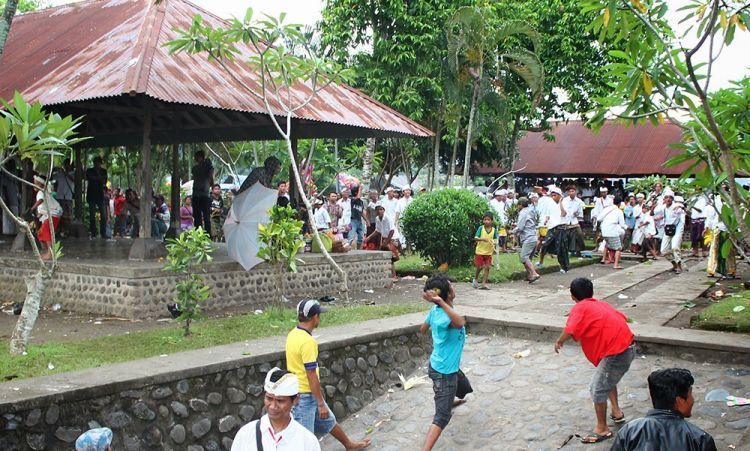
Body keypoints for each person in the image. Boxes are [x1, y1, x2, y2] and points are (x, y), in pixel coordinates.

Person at [554, 277, 635, 444]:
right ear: (592, 292)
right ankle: (617, 412)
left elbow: (570, 329)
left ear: (572, 296)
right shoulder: (601, 304)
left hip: (616, 352)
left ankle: (602, 429)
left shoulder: (580, 307)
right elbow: (623, 317)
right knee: (607, 379)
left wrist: (560, 341)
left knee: (597, 388)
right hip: (626, 347)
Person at [286, 299, 371, 450]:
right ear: (315, 317)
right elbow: (311, 374)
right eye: (319, 315)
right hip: (304, 395)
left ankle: (349, 445)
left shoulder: (293, 334)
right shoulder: (307, 342)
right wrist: (319, 402)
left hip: (302, 391)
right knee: (304, 441)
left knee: (329, 421)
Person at [611, 368, 717, 451]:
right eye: (690, 395)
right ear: (679, 401)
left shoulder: (629, 431)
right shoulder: (700, 439)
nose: (692, 400)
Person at [420, 274, 467, 451]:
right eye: (450, 285)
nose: (453, 286)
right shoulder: (445, 316)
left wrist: (438, 308)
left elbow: (423, 329)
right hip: (444, 372)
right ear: (446, 294)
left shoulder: (436, 312)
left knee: (463, 386)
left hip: (441, 365)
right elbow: (460, 322)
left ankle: (448, 399)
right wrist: (440, 306)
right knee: (442, 416)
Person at [232, 368, 320, 451]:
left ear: (295, 400)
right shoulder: (245, 434)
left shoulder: (308, 442)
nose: (273, 406)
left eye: (280, 401)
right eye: (269, 398)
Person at [364, 203, 400, 280]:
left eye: (381, 209)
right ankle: (390, 275)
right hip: (385, 238)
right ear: (376, 211)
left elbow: (392, 231)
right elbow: (377, 230)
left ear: (384, 210)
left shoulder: (387, 218)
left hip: (392, 238)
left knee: (391, 258)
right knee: (386, 257)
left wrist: (386, 242)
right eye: (378, 210)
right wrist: (369, 237)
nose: (380, 211)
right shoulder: (377, 219)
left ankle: (394, 276)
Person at [537, 186, 569, 273]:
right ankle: (540, 262)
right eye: (552, 195)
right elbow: (548, 214)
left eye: (555, 195)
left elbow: (563, 214)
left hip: (561, 228)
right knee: (545, 245)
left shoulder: (565, 203)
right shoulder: (550, 203)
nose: (553, 197)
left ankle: (564, 267)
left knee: (561, 249)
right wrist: (546, 220)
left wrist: (561, 203)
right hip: (551, 228)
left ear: (559, 195)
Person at [31, 176, 63, 260]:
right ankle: (47, 251)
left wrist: (32, 208)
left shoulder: (41, 192)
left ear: (41, 185)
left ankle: (50, 253)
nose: (34, 185)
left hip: (54, 213)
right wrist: (34, 222)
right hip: (52, 214)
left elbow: (40, 201)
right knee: (41, 232)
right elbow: (41, 211)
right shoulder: (43, 193)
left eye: (36, 183)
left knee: (45, 230)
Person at [511, 197, 540, 283]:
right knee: (527, 259)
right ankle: (530, 276)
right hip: (533, 236)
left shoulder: (523, 213)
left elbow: (520, 227)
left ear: (520, 205)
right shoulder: (531, 211)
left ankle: (534, 274)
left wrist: (513, 231)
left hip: (528, 237)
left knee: (524, 257)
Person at [597, 195, 627, 269]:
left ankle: (603, 259)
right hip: (611, 230)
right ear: (619, 204)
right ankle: (616, 264)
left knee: (607, 244)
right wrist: (627, 227)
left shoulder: (607, 209)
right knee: (618, 248)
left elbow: (599, 218)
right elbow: (622, 224)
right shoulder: (619, 211)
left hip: (604, 230)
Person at [661, 192, 686, 273]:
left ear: (672, 199)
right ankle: (674, 264)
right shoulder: (663, 207)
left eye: (670, 197)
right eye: (666, 197)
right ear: (664, 199)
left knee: (675, 247)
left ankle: (679, 266)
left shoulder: (677, 207)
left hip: (677, 228)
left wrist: (683, 208)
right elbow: (652, 213)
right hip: (668, 229)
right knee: (663, 251)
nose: (668, 199)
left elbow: (688, 212)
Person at [472, 212, 497, 290]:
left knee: (487, 267)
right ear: (483, 221)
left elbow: (495, 240)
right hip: (480, 251)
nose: (486, 221)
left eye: (488, 220)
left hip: (488, 252)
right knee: (479, 267)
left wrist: (494, 243)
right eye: (485, 219)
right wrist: (484, 239)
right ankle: (475, 279)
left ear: (492, 221)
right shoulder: (481, 228)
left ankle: (483, 284)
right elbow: (476, 238)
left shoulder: (494, 230)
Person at [191, 150, 214, 234]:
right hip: (197, 194)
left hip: (203, 195)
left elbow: (210, 176)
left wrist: (207, 165)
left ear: (200, 157)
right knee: (197, 216)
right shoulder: (195, 168)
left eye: (197, 157)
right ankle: (199, 234)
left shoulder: (208, 168)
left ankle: (207, 234)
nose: (195, 159)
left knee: (206, 216)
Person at [85, 156, 108, 239]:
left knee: (104, 215)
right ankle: (93, 233)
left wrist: (97, 176)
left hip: (100, 195)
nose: (97, 164)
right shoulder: (90, 170)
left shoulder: (103, 171)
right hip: (91, 194)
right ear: (94, 163)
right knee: (92, 215)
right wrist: (98, 178)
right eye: (96, 162)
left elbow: (104, 181)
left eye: (99, 163)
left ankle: (103, 233)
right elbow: (88, 178)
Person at [561, 185, 585, 256]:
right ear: (568, 192)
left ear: (576, 192)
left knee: (579, 235)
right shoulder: (564, 200)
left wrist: (576, 214)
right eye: (570, 191)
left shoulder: (579, 201)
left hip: (574, 221)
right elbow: (561, 211)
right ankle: (566, 251)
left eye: (573, 191)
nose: (571, 193)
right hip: (565, 221)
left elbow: (580, 214)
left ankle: (579, 251)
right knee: (565, 237)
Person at [52, 161, 74, 236]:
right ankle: (58, 231)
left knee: (68, 216)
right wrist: (53, 169)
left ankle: (67, 231)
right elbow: (51, 178)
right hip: (59, 197)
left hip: (68, 197)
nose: (67, 166)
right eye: (66, 165)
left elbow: (74, 180)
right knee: (58, 215)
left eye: (68, 165)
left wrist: (66, 173)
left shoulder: (73, 173)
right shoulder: (60, 174)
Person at [689, 190, 709, 257]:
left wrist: (692, 206)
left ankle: (704, 251)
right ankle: (695, 251)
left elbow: (700, 210)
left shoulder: (702, 199)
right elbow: (691, 211)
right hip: (693, 219)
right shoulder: (692, 199)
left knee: (701, 236)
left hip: (700, 219)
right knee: (693, 237)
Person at [349, 185, 366, 249]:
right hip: (353, 221)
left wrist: (367, 220)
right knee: (351, 237)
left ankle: (359, 250)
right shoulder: (352, 200)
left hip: (359, 221)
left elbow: (361, 212)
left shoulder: (361, 202)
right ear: (356, 192)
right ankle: (347, 249)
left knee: (361, 238)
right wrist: (360, 189)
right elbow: (358, 197)